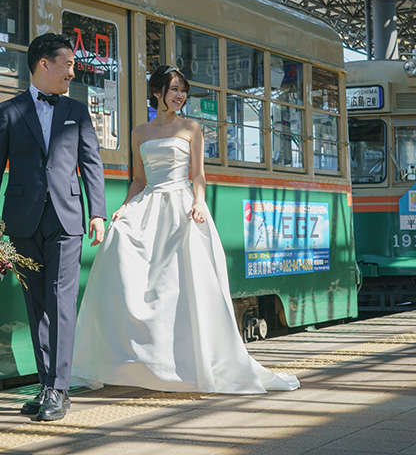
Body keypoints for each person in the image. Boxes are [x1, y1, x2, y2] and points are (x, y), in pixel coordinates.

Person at [71, 65, 299, 394]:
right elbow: (139, 179)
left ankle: (187, 362)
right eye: (173, 89)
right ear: (156, 92)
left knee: (180, 285)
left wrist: (199, 202)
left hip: (182, 204)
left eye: (183, 90)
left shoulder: (192, 127)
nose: (180, 95)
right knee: (120, 247)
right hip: (150, 203)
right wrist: (123, 207)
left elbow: (198, 175)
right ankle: (125, 357)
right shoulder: (140, 133)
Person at [0, 32, 107, 421]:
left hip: (67, 220)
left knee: (61, 301)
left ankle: (59, 389)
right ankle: (48, 384)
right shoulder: (8, 111)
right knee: (37, 306)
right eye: (67, 64)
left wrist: (96, 212)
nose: (73, 71)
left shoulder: (78, 111)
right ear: (44, 65)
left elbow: (92, 164)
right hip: (22, 220)